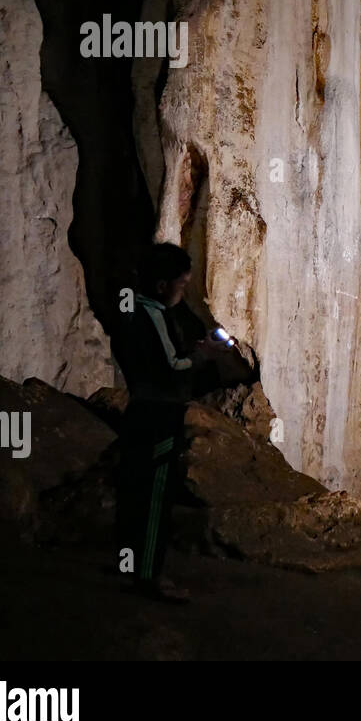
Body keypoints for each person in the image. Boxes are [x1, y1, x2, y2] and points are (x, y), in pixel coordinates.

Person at [112, 242, 228, 603]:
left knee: (132, 493)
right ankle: (149, 576)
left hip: (138, 410)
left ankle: (127, 565)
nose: (183, 291)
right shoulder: (153, 314)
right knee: (155, 500)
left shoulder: (130, 312)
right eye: (181, 284)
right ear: (162, 286)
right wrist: (204, 354)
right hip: (160, 415)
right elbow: (172, 365)